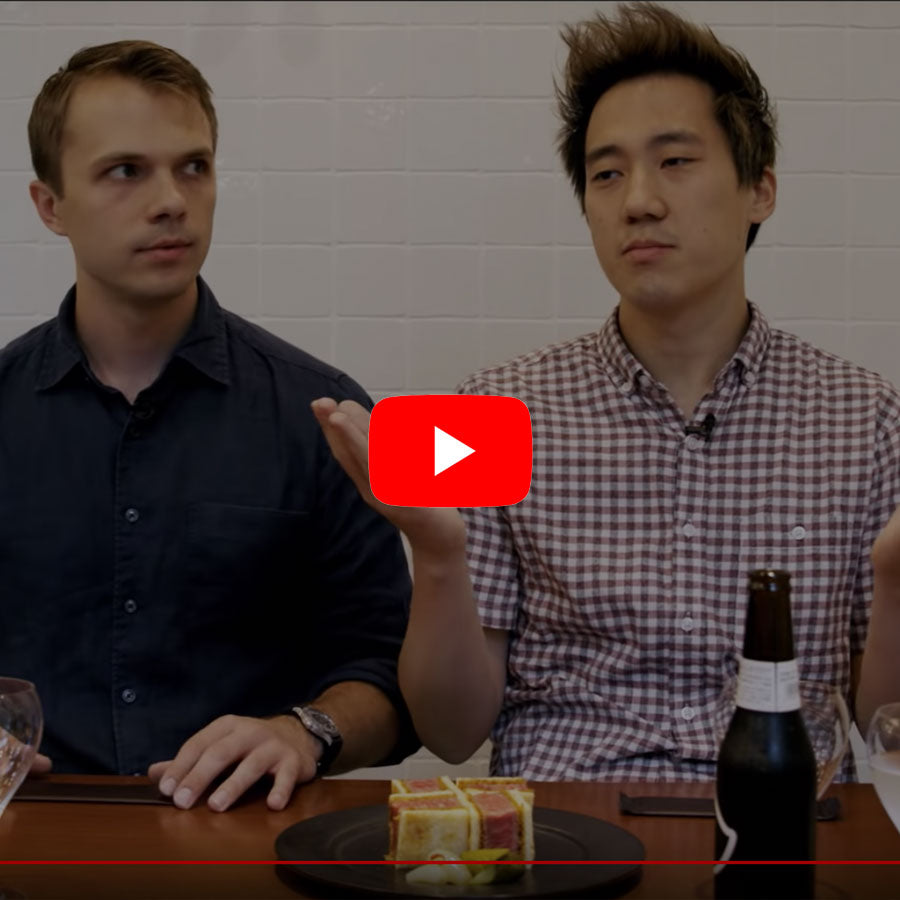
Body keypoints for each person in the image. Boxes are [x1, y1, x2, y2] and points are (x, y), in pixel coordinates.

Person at [313, 2, 900, 781]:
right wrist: (439, 553)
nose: (638, 201)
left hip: (782, 820)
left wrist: (895, 577)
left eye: (676, 161)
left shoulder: (864, 417)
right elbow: (451, 733)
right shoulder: (493, 412)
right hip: (564, 824)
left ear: (759, 190)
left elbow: (888, 726)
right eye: (607, 173)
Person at [0, 39, 417, 811]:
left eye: (193, 166)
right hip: (28, 833)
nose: (171, 200)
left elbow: (390, 674)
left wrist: (306, 732)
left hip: (248, 836)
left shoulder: (321, 414)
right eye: (126, 171)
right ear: (50, 206)